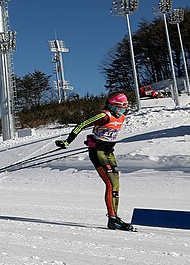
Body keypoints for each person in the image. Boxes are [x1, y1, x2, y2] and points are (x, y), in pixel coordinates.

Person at [55, 92, 134, 231]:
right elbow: (82, 124)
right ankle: (112, 218)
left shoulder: (121, 117)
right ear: (112, 105)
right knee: (110, 184)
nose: (123, 109)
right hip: (97, 152)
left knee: (116, 185)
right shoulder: (104, 115)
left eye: (125, 106)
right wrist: (67, 141)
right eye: (120, 106)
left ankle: (114, 218)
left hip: (109, 152)